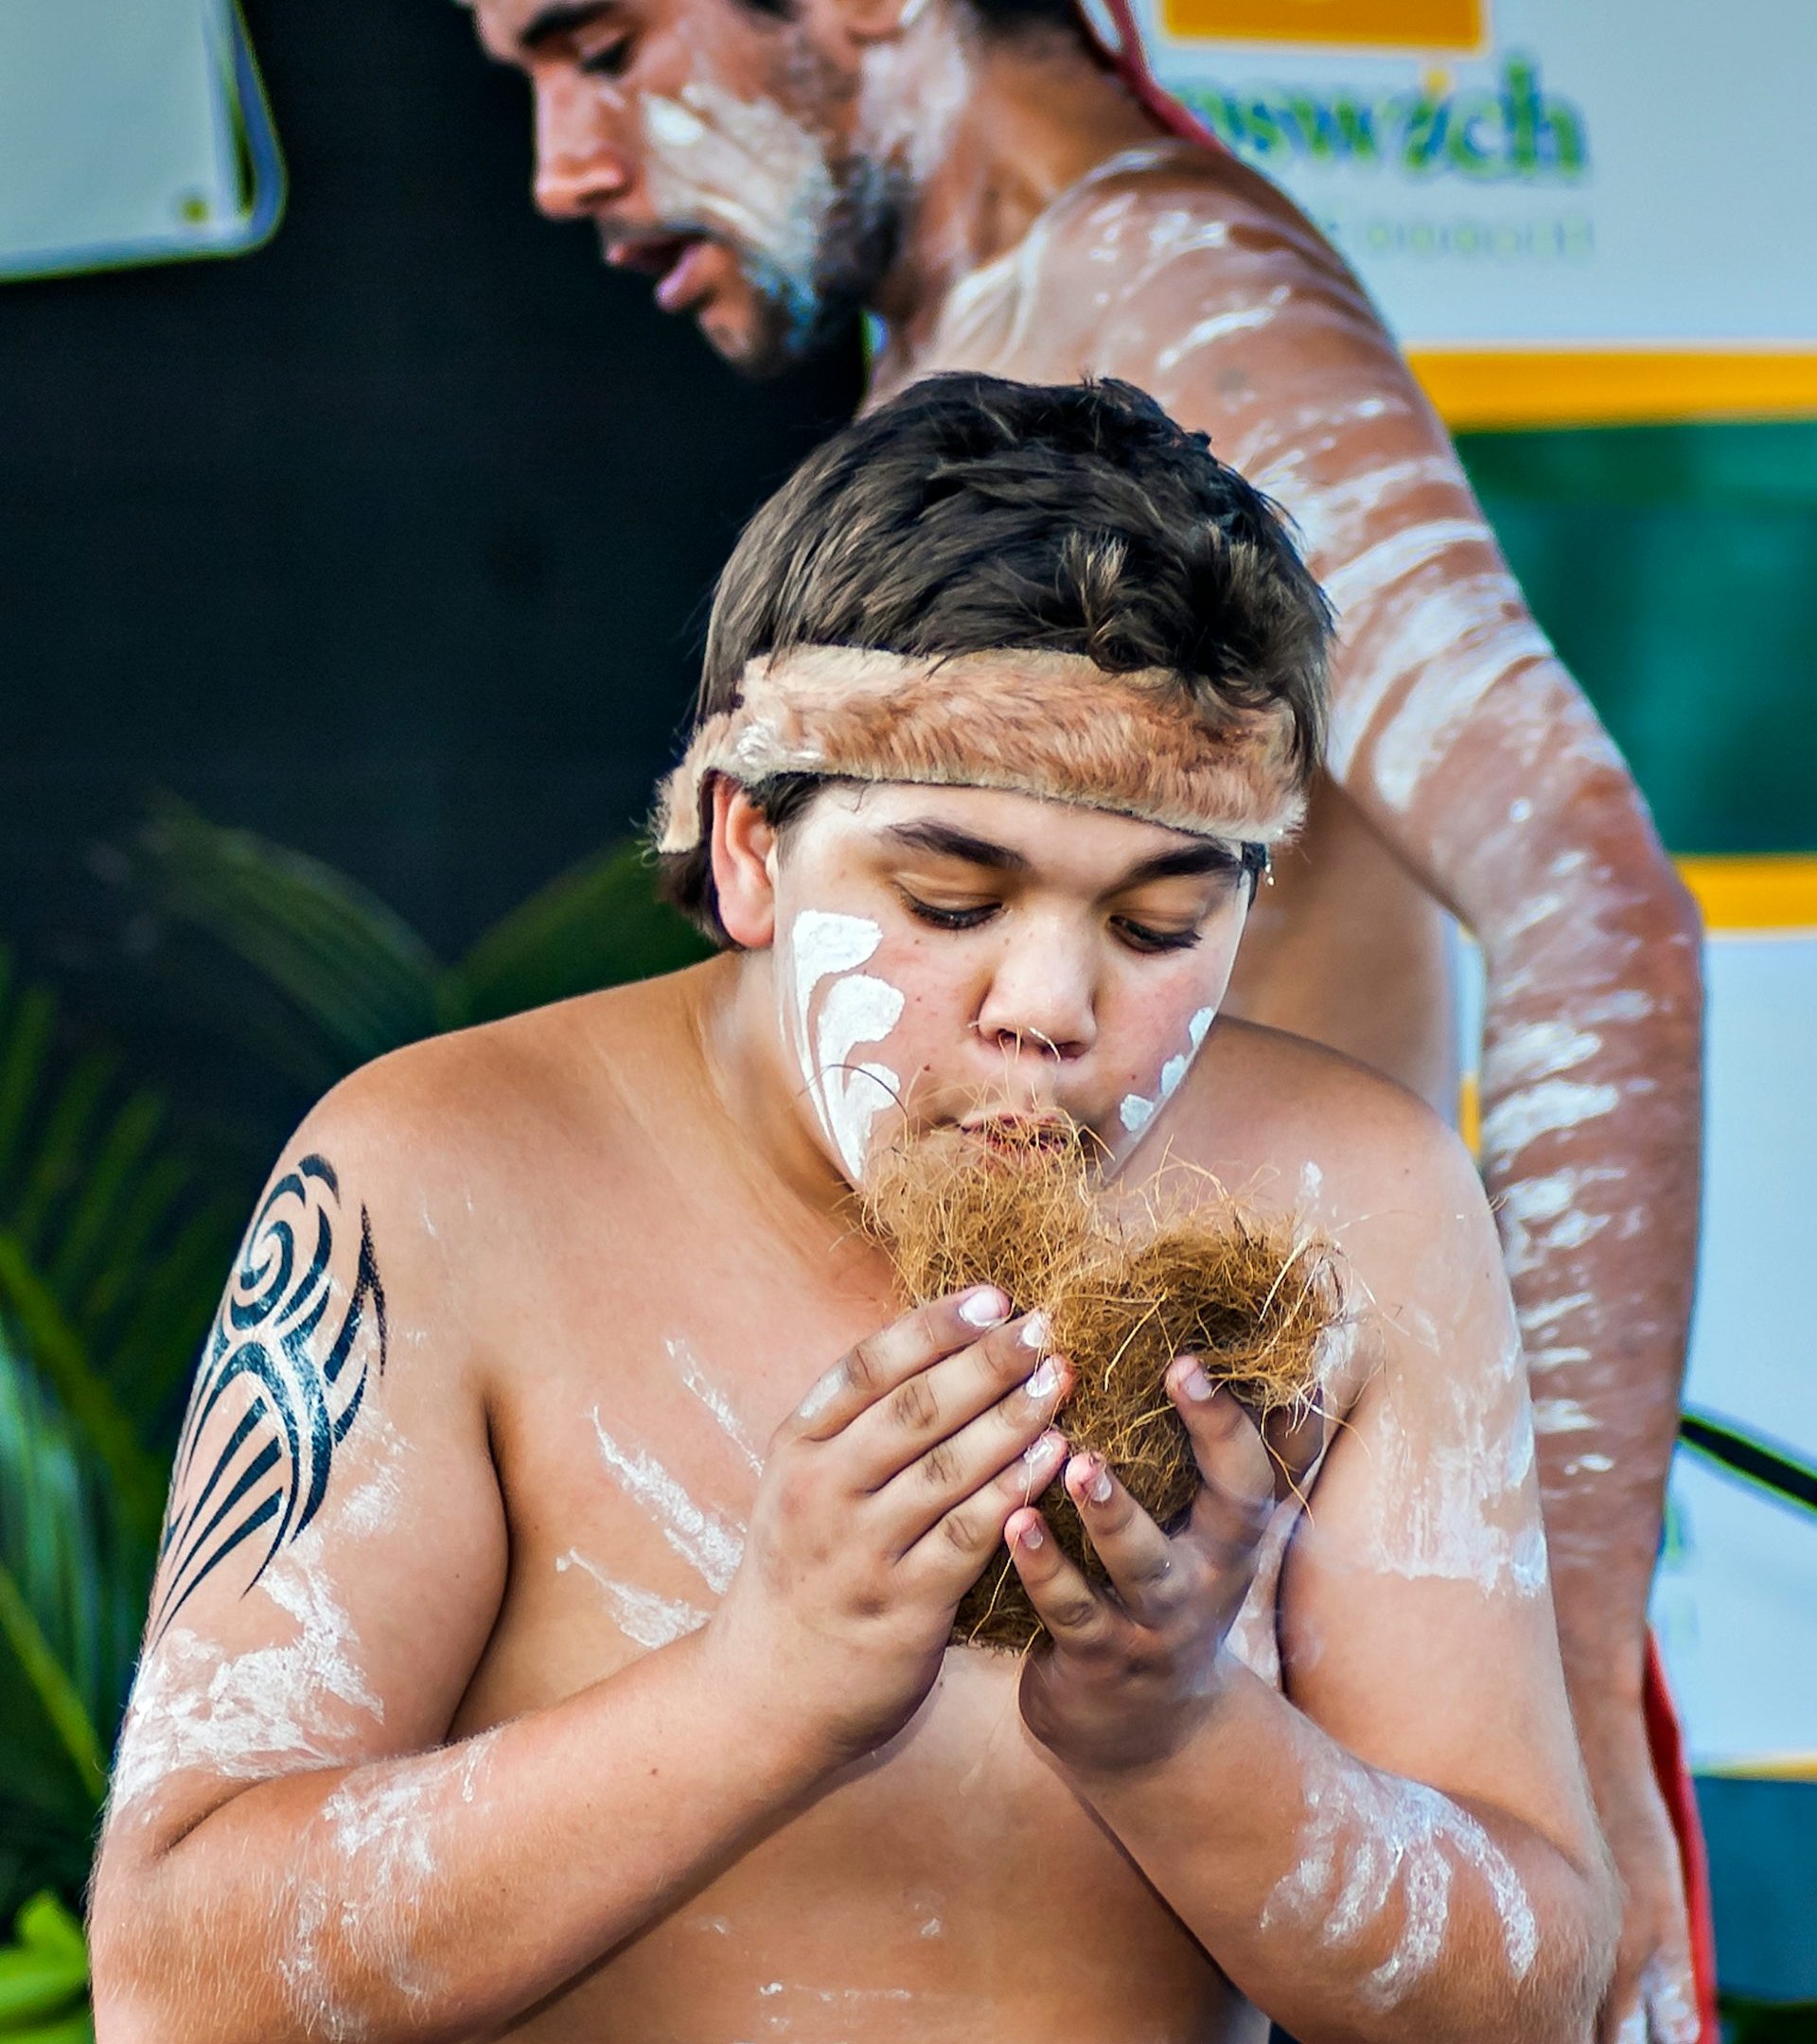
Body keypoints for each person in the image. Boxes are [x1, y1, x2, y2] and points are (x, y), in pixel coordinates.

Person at [91, 375, 1615, 2042]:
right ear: (750, 851)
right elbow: (176, 1987)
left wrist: (1185, 1735)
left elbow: (1533, 2002)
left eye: (1159, 927)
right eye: (952, 901)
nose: (1050, 1009)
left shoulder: (1361, 1198)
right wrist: (765, 1689)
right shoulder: (441, 1176)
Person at [464, 2, 1711, 2035]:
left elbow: (1591, 898)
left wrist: (1563, 1711)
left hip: (1295, 1667)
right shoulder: (987, 316)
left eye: (599, 43)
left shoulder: (1166, 281)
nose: (562, 163)